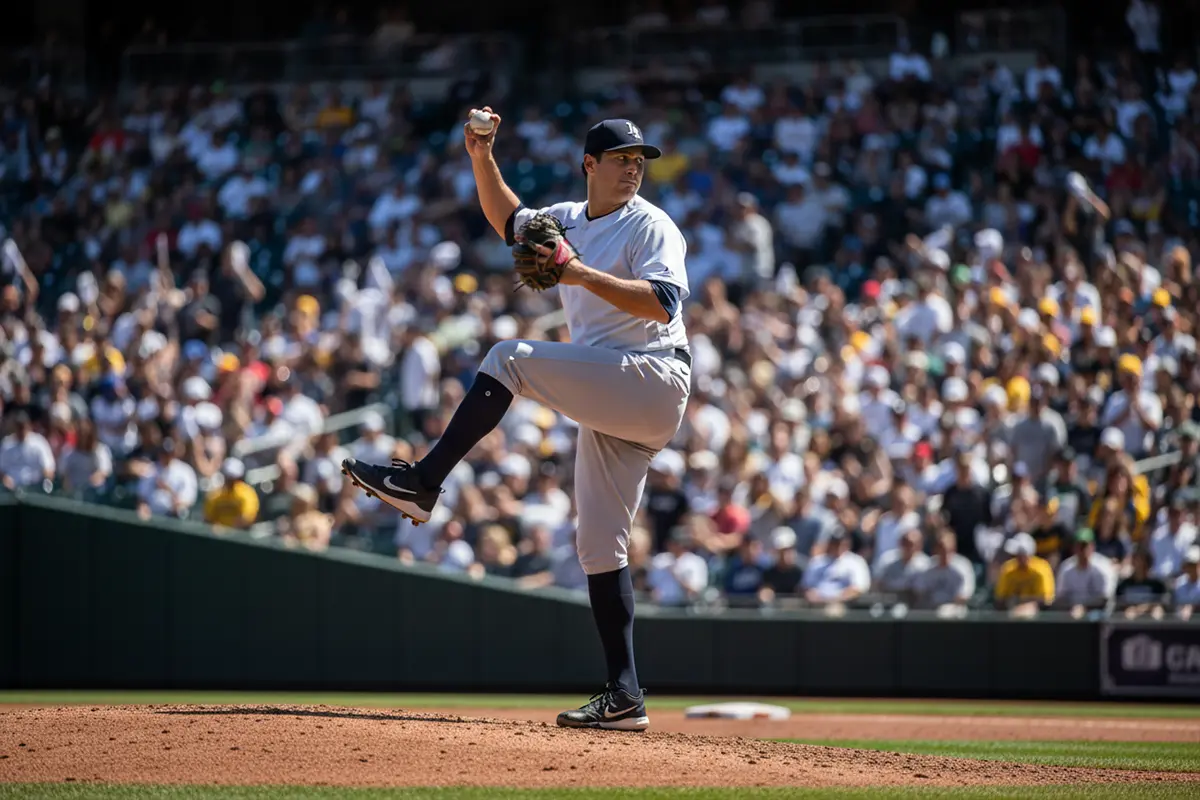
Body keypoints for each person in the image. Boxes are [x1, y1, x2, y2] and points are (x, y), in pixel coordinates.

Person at [341, 109, 691, 731]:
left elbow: (663, 304)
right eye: (622, 159)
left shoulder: (651, 224)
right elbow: (507, 218)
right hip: (611, 390)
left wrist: (575, 271)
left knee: (510, 357)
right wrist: (480, 153)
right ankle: (624, 694)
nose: (634, 168)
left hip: (652, 376)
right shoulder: (565, 219)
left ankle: (423, 482)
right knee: (597, 545)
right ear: (590, 165)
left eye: (641, 160)